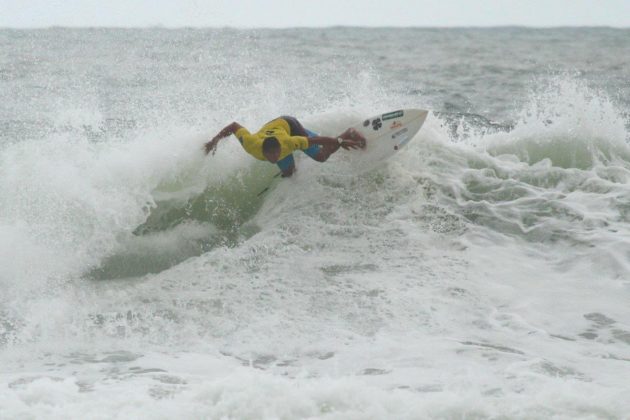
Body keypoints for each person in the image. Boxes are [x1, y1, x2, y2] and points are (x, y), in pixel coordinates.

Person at [204, 115, 365, 177]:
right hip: (271, 126)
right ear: (264, 152)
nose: (274, 159)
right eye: (271, 156)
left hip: (289, 124)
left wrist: (341, 141)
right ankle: (292, 167)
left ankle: (349, 132)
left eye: (276, 154)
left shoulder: (289, 143)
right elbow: (233, 126)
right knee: (288, 172)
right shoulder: (251, 144)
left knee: (320, 156)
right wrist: (214, 140)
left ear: (281, 149)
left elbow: (319, 140)